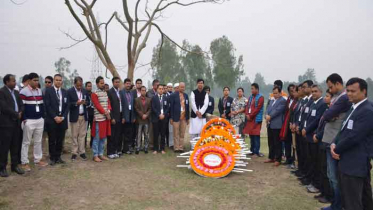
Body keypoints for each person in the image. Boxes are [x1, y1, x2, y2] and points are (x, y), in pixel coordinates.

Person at [331, 78, 373, 210]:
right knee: (359, 200)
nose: (349, 94)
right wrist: (334, 143)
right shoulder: (354, 108)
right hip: (348, 162)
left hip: (355, 164)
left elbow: (354, 137)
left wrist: (336, 149)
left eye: (353, 91)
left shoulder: (367, 110)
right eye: (347, 91)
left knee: (353, 203)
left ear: (364, 91)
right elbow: (343, 130)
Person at [319, 74, 351, 210]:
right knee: (331, 175)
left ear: (338, 83)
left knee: (334, 177)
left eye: (331, 87)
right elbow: (328, 115)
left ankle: (338, 205)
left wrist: (330, 116)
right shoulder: (336, 97)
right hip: (329, 139)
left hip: (334, 140)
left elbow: (327, 115)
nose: (330, 90)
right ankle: (336, 203)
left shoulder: (343, 98)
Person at [301, 85, 328, 194]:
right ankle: (311, 180)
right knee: (310, 159)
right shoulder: (313, 102)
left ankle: (316, 183)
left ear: (321, 92)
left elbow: (317, 120)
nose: (314, 93)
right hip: (308, 134)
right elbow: (307, 117)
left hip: (313, 135)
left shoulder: (322, 104)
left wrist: (307, 129)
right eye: (312, 92)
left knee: (316, 161)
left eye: (316, 91)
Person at [19, 73, 48, 171]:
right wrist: (24, 120)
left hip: (39, 120)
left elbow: (41, 105)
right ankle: (24, 162)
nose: (36, 82)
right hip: (29, 121)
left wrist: (42, 117)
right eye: (34, 80)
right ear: (29, 81)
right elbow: (21, 107)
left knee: (38, 141)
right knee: (26, 142)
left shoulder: (39, 91)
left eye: (37, 80)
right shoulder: (24, 91)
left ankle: (37, 159)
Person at [0, 74, 25, 177]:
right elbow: (4, 107)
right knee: (4, 147)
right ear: (7, 82)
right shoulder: (2, 92)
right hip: (6, 124)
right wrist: (16, 114)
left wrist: (20, 112)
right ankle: (2, 168)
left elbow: (21, 105)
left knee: (15, 145)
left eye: (15, 81)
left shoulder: (16, 92)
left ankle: (14, 166)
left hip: (16, 123)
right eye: (13, 81)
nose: (15, 83)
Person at [313, 89, 333, 204]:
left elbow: (326, 128)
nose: (326, 98)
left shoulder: (333, 112)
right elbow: (320, 125)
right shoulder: (327, 109)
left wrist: (318, 135)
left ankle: (328, 194)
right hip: (321, 140)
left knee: (326, 170)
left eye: (328, 96)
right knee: (322, 167)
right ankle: (323, 191)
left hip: (325, 141)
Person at [44, 74, 69, 165]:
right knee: (52, 140)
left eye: (60, 80)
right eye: (56, 80)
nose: (58, 81)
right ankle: (52, 158)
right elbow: (47, 105)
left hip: (62, 120)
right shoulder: (49, 91)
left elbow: (67, 106)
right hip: (52, 120)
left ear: (62, 81)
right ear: (54, 81)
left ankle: (58, 157)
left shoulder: (65, 92)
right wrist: (55, 117)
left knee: (60, 140)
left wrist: (63, 117)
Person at [67, 77, 89, 161]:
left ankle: (82, 152)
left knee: (82, 135)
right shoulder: (70, 91)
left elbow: (89, 102)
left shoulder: (84, 91)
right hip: (74, 116)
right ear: (74, 84)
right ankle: (74, 153)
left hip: (83, 116)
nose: (79, 87)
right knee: (74, 135)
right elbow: (68, 104)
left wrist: (85, 102)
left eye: (81, 85)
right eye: (78, 85)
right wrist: (76, 103)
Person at [91, 76, 111, 162]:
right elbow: (97, 105)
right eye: (101, 83)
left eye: (103, 83)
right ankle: (95, 155)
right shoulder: (94, 93)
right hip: (99, 119)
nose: (103, 84)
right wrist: (105, 112)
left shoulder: (105, 93)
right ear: (97, 84)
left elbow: (108, 103)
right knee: (97, 137)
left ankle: (101, 154)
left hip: (105, 119)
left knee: (103, 137)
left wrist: (109, 110)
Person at [264, 87, 286, 166]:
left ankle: (278, 159)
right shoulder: (272, 100)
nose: (275, 94)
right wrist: (266, 115)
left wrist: (270, 116)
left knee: (277, 143)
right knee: (271, 142)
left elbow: (278, 111)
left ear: (280, 93)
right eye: (274, 93)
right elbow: (267, 109)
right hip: (269, 124)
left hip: (277, 124)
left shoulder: (283, 101)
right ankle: (271, 157)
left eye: (276, 93)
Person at [298, 80, 314, 184]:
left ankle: (308, 176)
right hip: (301, 129)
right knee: (303, 153)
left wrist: (305, 128)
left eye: (305, 87)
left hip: (308, 132)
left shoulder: (313, 100)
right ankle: (303, 172)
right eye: (302, 87)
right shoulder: (305, 101)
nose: (303, 89)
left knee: (309, 156)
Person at [243, 83, 265, 157]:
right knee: (251, 135)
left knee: (256, 135)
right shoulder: (250, 97)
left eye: (253, 88)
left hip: (256, 119)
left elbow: (257, 109)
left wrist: (251, 116)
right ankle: (252, 150)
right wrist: (247, 114)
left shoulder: (261, 97)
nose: (251, 90)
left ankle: (256, 152)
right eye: (251, 88)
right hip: (249, 118)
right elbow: (247, 107)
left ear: (257, 89)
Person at [189, 79, 209, 149]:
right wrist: (197, 112)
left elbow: (206, 104)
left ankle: (200, 146)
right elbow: (192, 103)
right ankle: (193, 146)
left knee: (201, 131)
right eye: (199, 83)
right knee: (193, 131)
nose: (200, 84)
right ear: (197, 84)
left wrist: (201, 112)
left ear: (203, 84)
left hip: (202, 116)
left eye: (202, 83)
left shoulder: (205, 94)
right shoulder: (193, 92)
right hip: (195, 115)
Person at [170, 82, 189, 153]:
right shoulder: (174, 95)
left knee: (182, 133)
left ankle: (181, 147)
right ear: (178, 87)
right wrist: (171, 118)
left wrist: (188, 118)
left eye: (183, 87)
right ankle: (176, 147)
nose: (182, 88)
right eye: (181, 87)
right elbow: (171, 107)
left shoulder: (186, 96)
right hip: (175, 117)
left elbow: (187, 106)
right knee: (176, 133)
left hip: (184, 117)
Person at [280, 84, 297, 166]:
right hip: (287, 124)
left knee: (294, 144)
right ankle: (288, 158)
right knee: (287, 142)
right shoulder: (288, 100)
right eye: (291, 91)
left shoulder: (297, 100)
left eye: (294, 90)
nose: (293, 92)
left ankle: (294, 159)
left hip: (293, 124)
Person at [107, 77, 123, 159]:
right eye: (116, 82)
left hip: (120, 116)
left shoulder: (120, 92)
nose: (117, 83)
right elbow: (109, 106)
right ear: (113, 83)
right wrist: (112, 118)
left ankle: (115, 151)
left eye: (118, 82)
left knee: (118, 135)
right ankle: (110, 152)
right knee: (111, 135)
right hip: (113, 117)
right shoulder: (110, 92)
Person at [120, 78, 136, 155]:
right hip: (124, 115)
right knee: (124, 133)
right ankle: (123, 149)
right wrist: (122, 117)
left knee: (130, 133)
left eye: (129, 84)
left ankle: (128, 148)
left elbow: (133, 105)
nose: (128, 85)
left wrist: (133, 117)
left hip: (131, 115)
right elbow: (121, 106)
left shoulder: (132, 93)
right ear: (124, 84)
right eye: (127, 83)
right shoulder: (121, 92)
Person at [151, 84, 169, 154]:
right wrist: (159, 114)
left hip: (164, 118)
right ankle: (155, 149)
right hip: (156, 118)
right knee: (156, 134)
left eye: (162, 89)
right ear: (157, 89)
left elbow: (167, 108)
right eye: (160, 89)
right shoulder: (154, 98)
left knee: (163, 134)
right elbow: (153, 108)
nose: (161, 90)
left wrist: (163, 114)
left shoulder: (166, 98)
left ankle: (162, 148)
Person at [134, 86, 151, 154]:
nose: (143, 91)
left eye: (144, 90)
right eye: (142, 90)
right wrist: (142, 115)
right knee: (139, 134)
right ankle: (138, 147)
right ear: (140, 91)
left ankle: (146, 147)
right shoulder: (136, 99)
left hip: (146, 120)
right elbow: (136, 108)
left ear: (146, 91)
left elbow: (150, 109)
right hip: (139, 119)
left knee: (146, 134)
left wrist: (146, 115)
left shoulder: (149, 99)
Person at [41, 76, 53, 159]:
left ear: (52, 83)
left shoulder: (54, 92)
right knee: (43, 137)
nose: (47, 84)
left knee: (52, 137)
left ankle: (52, 153)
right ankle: (44, 153)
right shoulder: (42, 91)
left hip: (52, 117)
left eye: (49, 82)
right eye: (46, 82)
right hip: (44, 117)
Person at [146, 79, 160, 150]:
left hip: (159, 114)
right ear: (153, 85)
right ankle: (151, 145)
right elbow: (152, 100)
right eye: (157, 85)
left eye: (159, 85)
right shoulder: (149, 93)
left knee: (158, 130)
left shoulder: (160, 92)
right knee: (151, 130)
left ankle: (157, 144)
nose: (158, 86)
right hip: (151, 114)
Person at [85, 81, 94, 148]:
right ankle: (84, 144)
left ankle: (92, 143)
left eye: (90, 86)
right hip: (86, 114)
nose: (90, 87)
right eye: (88, 86)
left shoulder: (93, 94)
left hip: (92, 114)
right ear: (86, 87)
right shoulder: (83, 94)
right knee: (85, 130)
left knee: (93, 130)